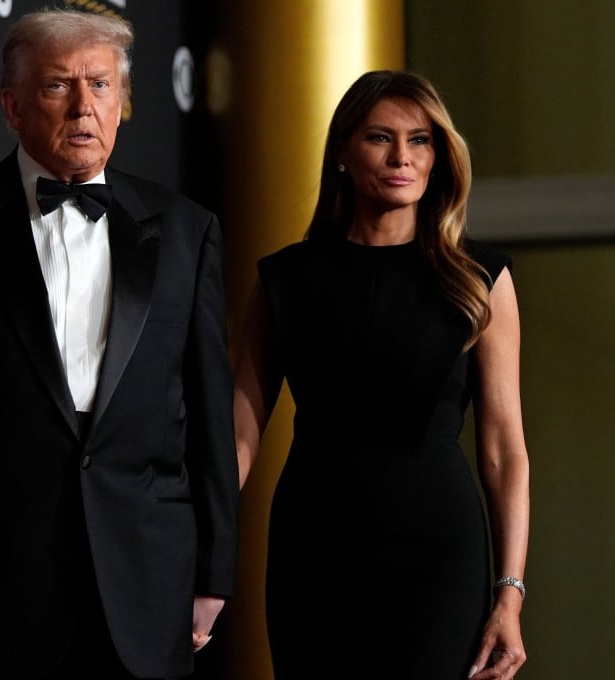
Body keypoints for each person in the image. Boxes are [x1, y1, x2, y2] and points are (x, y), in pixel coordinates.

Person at [0, 8, 239, 679]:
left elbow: (210, 419)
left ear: (123, 104)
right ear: (12, 105)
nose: (83, 106)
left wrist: (213, 573)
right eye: (58, 86)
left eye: (101, 86)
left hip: (147, 581)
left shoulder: (188, 230)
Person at [232, 70, 530, 680]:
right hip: (312, 542)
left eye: (420, 140)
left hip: (437, 549)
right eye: (380, 138)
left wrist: (511, 590)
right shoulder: (285, 279)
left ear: (438, 157)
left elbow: (504, 450)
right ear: (342, 151)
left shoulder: (479, 279)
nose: (402, 157)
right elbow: (240, 434)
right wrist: (196, 549)